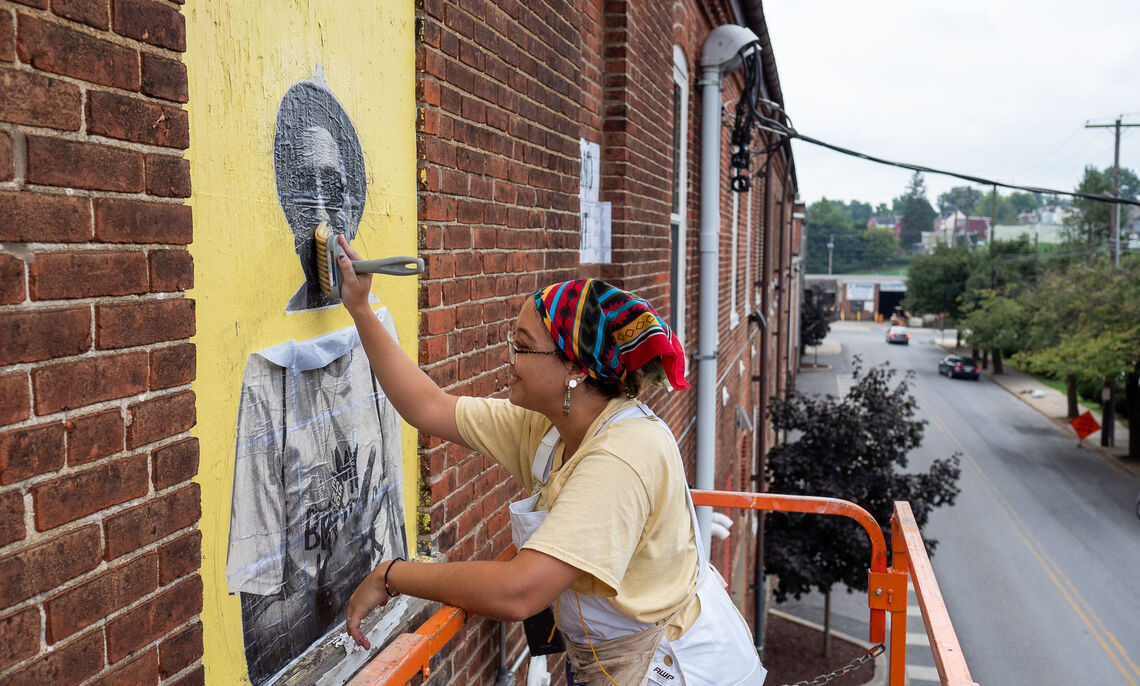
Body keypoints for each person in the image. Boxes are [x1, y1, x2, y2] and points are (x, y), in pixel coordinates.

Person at [338, 237, 766, 685]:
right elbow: (427, 407)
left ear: (576, 369)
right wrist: (361, 309)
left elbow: (520, 591)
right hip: (609, 660)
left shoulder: (622, 455)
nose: (511, 359)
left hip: (670, 668)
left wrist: (392, 575)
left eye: (523, 346)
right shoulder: (550, 426)